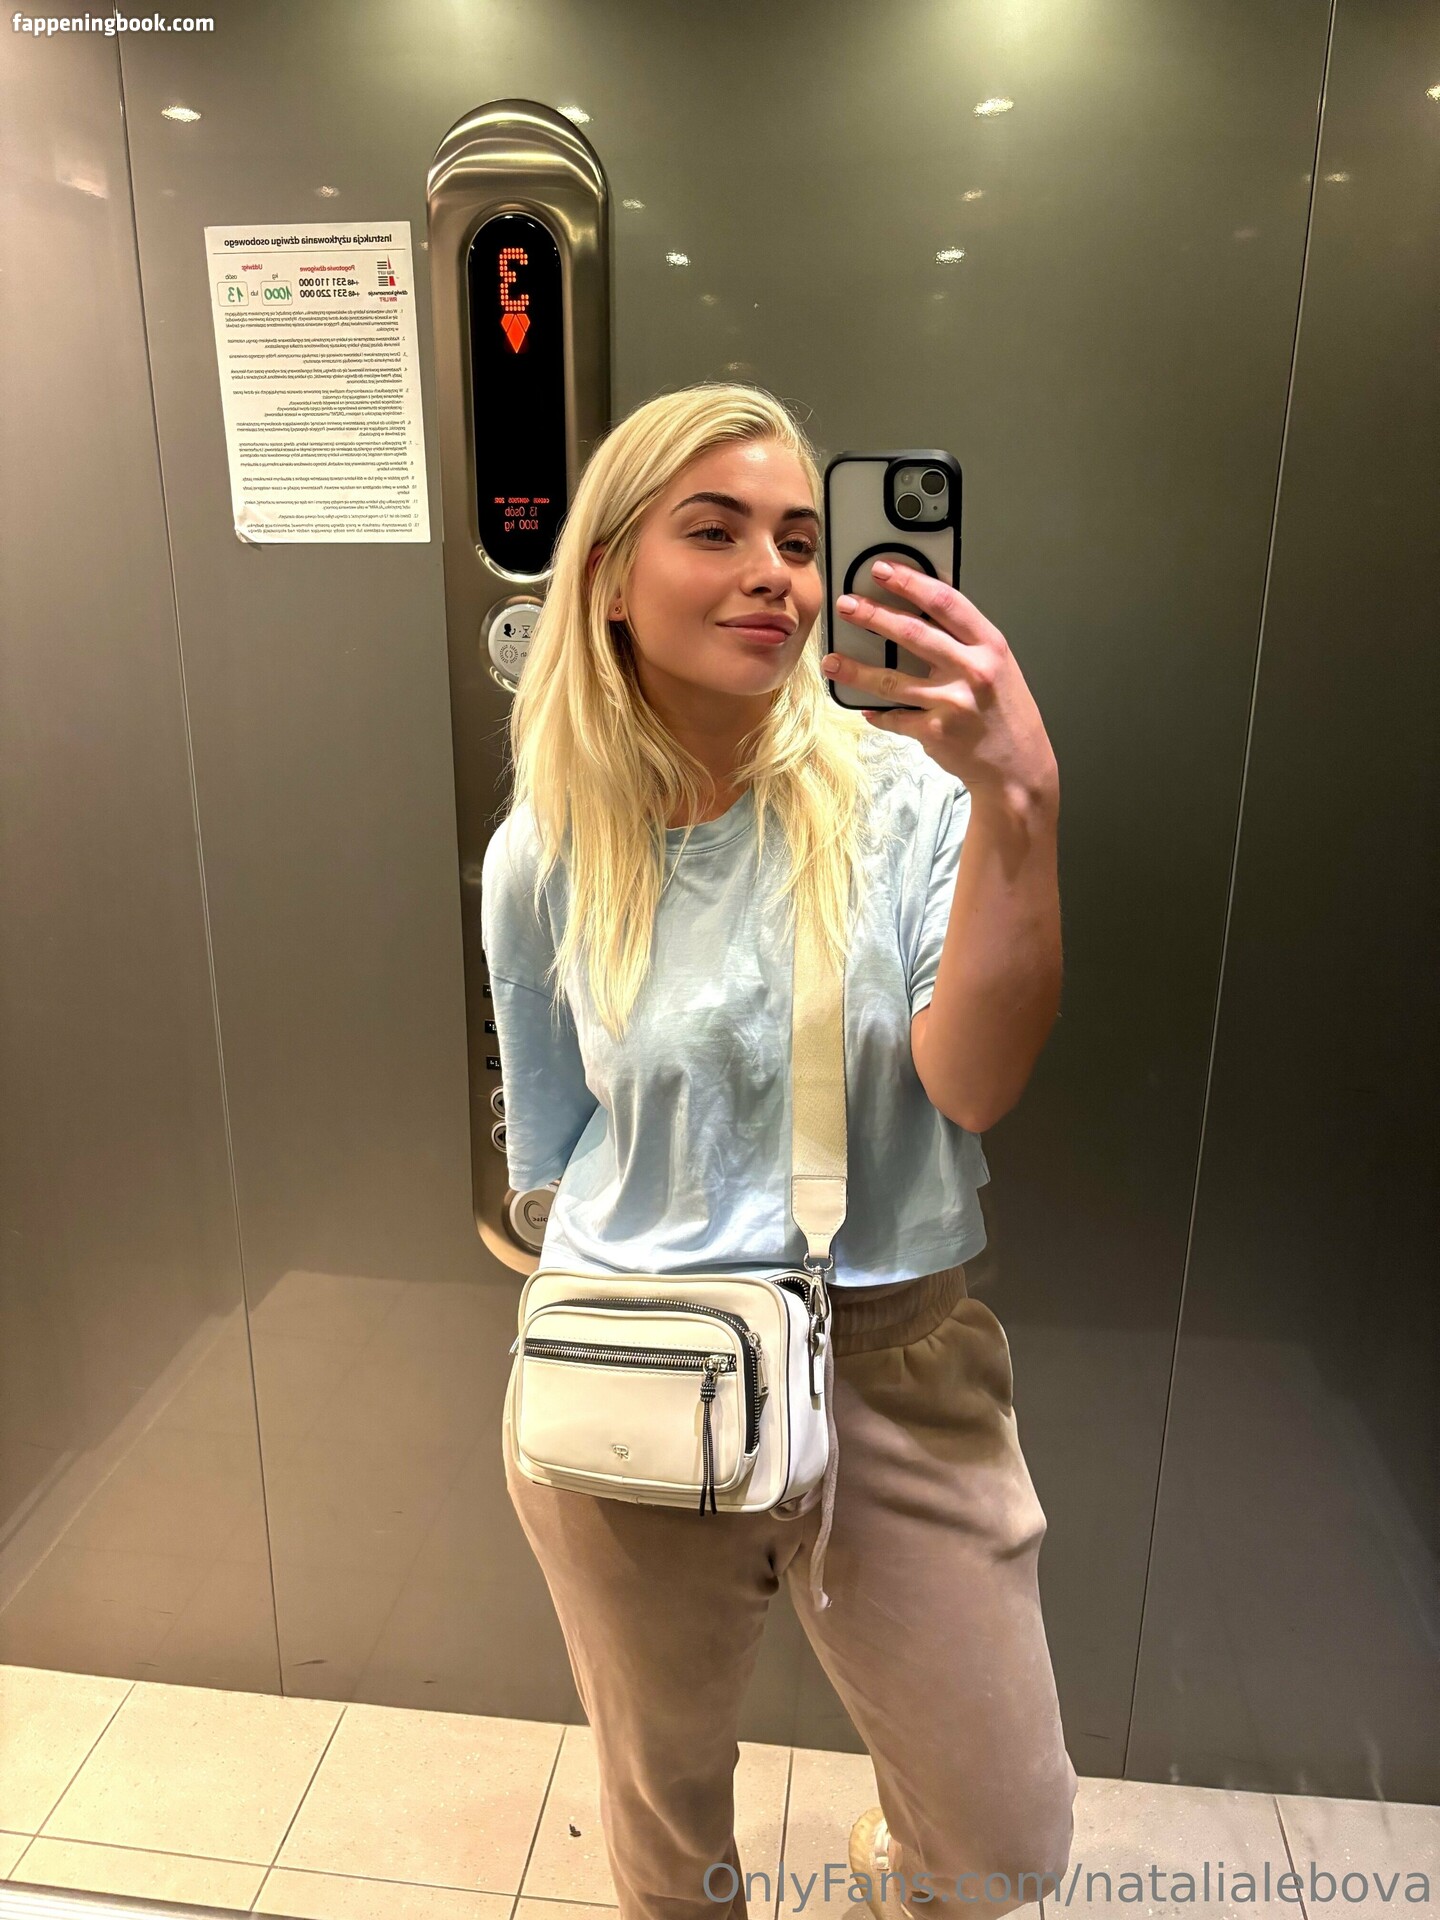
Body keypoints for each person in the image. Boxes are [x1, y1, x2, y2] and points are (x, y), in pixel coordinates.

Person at [481, 382, 1075, 1920]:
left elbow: (975, 1083)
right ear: (610, 577)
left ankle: (897, 1878)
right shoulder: (543, 850)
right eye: (716, 531)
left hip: (893, 1361)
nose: (776, 574)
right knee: (666, 1816)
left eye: (801, 541)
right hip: (640, 1364)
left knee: (1004, 1839)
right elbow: (553, 1150)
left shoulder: (913, 799)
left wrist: (1018, 802)